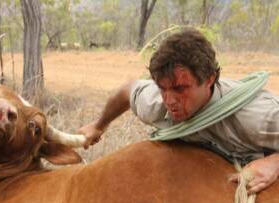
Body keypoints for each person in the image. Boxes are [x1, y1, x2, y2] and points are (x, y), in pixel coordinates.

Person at [79, 28, 279, 193]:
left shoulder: (257, 117)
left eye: (180, 89)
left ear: (209, 79)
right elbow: (127, 91)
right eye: (162, 88)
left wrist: (274, 162)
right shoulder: (157, 103)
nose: (169, 100)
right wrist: (99, 125)